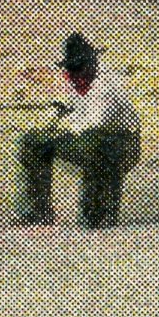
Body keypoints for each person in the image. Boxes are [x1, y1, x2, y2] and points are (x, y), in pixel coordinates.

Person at [17, 33, 141, 229]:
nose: (74, 77)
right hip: (89, 139)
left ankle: (98, 212)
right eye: (70, 71)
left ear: (91, 66)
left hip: (120, 145)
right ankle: (37, 211)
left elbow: (98, 122)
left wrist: (65, 130)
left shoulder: (106, 85)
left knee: (94, 143)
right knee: (32, 142)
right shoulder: (76, 82)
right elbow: (65, 115)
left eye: (79, 70)